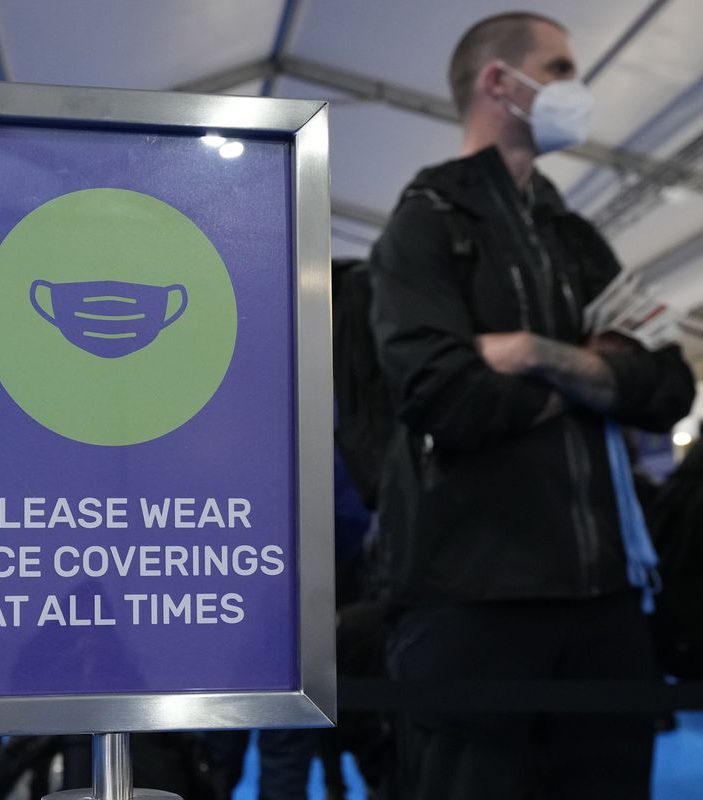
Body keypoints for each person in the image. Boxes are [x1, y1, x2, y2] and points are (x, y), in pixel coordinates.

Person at [368, 12, 695, 800]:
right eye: (558, 70)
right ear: (498, 83)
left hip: (607, 606)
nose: (573, 90)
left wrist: (534, 353)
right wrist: (594, 377)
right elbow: (446, 396)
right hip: (474, 605)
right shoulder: (427, 226)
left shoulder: (576, 238)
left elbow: (669, 384)